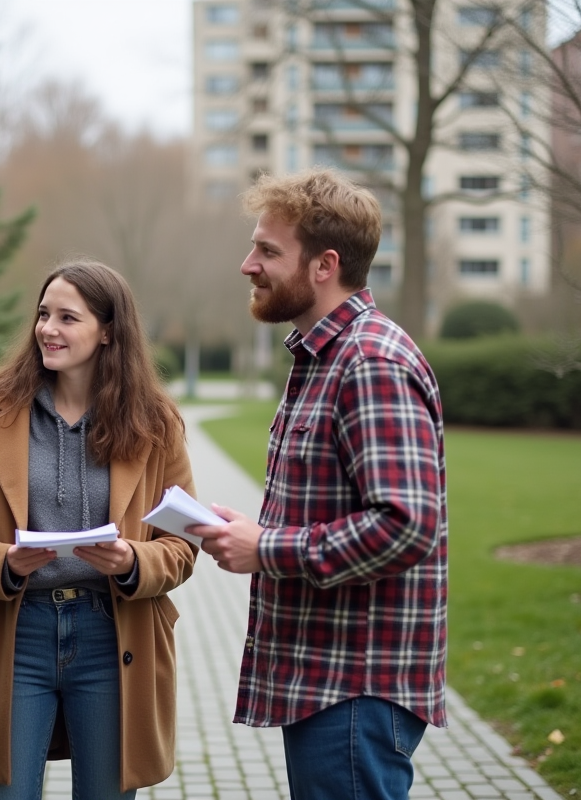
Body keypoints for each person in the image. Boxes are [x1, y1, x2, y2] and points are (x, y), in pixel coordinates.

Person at [188, 169, 448, 800]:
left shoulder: (370, 363)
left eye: (268, 251)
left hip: (355, 689)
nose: (248, 265)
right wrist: (248, 532)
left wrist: (266, 549)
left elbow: (405, 523)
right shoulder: (323, 357)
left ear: (325, 264)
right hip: (328, 681)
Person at [0, 260, 197, 799]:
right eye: (43, 314)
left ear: (108, 333)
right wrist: (0, 563)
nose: (48, 329)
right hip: (14, 631)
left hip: (112, 635)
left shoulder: (155, 422)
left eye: (67, 318)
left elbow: (184, 541)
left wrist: (133, 563)